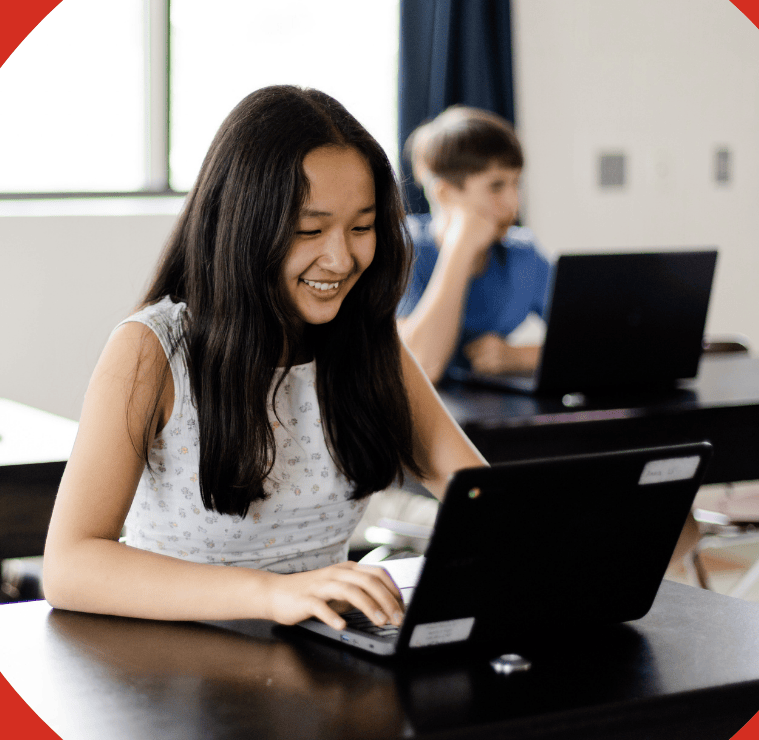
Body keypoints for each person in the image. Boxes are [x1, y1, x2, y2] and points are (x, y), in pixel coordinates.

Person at [41, 86, 485, 632]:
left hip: (320, 652)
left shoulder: (367, 341)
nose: (341, 258)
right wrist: (273, 594)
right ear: (245, 226)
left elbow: (479, 497)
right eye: (309, 230)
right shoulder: (152, 349)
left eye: (362, 227)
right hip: (172, 657)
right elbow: (69, 566)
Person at [397, 106, 553, 384]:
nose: (513, 203)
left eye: (516, 183)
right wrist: (459, 248)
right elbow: (421, 365)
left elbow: (597, 342)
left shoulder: (523, 256)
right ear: (445, 194)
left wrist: (519, 356)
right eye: (496, 186)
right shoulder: (404, 249)